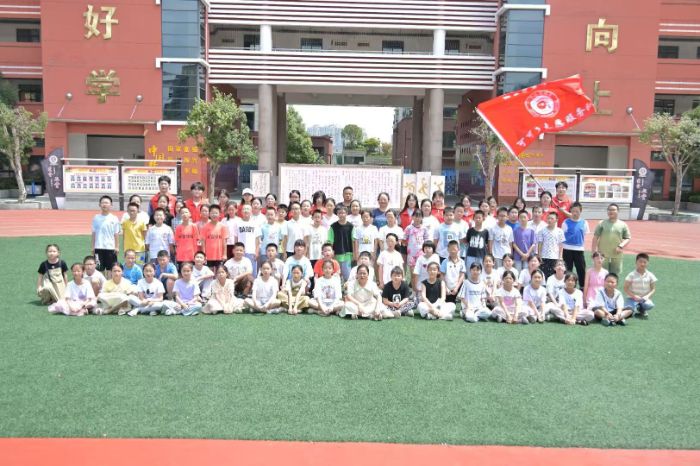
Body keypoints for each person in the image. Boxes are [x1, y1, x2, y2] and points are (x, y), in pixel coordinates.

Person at [592, 203, 631, 276]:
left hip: (616, 255)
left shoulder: (623, 224)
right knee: (601, 275)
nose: (611, 211)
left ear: (618, 211)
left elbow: (628, 238)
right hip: (602, 255)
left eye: (613, 210)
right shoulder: (601, 223)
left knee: (615, 276)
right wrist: (593, 252)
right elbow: (595, 237)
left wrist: (621, 246)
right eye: (609, 210)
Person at [92, 195, 121, 275]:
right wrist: (93, 247)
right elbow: (94, 233)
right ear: (99, 204)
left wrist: (117, 247)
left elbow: (116, 234)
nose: (104, 204)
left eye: (107, 203)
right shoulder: (96, 218)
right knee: (99, 269)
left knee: (110, 270)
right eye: (103, 203)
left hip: (110, 248)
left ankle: (109, 283)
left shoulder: (114, 218)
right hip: (98, 248)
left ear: (111, 205)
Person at [562, 202, 589, 286]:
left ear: (580, 211)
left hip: (579, 249)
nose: (575, 213)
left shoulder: (584, 222)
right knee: (567, 269)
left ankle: (582, 286)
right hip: (567, 249)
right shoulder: (566, 222)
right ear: (570, 211)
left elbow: (584, 234)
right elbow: (562, 235)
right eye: (573, 211)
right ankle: (567, 286)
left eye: (577, 211)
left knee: (581, 269)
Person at [623, 252, 657, 318]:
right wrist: (634, 296)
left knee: (650, 305)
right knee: (629, 311)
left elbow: (653, 289)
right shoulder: (631, 275)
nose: (642, 264)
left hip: (644, 299)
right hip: (632, 298)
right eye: (640, 262)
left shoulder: (650, 275)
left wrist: (647, 296)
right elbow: (625, 288)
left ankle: (641, 309)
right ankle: (635, 307)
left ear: (648, 263)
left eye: (645, 262)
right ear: (636, 262)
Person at [328, 205, 354, 281]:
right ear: (337, 214)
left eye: (343, 213)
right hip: (336, 255)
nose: (341, 215)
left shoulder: (351, 226)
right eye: (339, 213)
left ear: (347, 213)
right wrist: (331, 253)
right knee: (336, 276)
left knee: (347, 277)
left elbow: (353, 241)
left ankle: (346, 288)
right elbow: (330, 241)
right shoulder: (333, 226)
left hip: (347, 255)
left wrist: (354, 253)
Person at [235, 204, 262, 277]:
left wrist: (256, 252)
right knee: (241, 272)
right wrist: (235, 250)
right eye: (244, 209)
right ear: (241, 211)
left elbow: (257, 239)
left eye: (248, 209)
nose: (246, 211)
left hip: (251, 252)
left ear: (251, 211)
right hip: (240, 252)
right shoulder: (237, 223)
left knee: (252, 273)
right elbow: (236, 238)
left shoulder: (255, 223)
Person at [537, 211, 564, 279]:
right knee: (544, 276)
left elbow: (561, 245)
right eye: (548, 218)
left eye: (552, 218)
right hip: (544, 256)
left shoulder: (560, 231)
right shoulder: (542, 230)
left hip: (555, 257)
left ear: (556, 220)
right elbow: (540, 243)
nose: (549, 220)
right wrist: (539, 255)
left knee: (553, 276)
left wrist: (560, 257)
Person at [122, 202, 148, 266]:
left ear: (137, 211)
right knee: (128, 266)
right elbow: (124, 236)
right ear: (127, 211)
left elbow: (145, 236)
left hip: (140, 250)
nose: (131, 212)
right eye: (130, 211)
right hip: (128, 250)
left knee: (140, 266)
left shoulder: (142, 223)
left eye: (133, 211)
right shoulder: (125, 223)